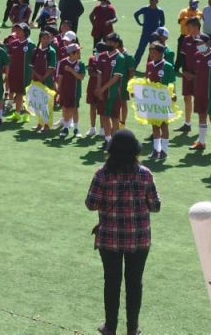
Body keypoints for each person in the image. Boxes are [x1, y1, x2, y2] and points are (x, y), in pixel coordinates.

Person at [86, 129, 161, 335]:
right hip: (139, 239)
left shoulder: (102, 175)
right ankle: (132, 328)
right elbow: (155, 206)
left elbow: (91, 204)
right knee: (134, 283)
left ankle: (110, 326)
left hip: (109, 238)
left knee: (111, 281)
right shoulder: (145, 174)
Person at [188, 33, 211, 154]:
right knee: (201, 116)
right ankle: (201, 142)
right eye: (197, 43)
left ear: (208, 43)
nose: (198, 45)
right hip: (200, 92)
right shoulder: (197, 55)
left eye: (200, 43)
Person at [94, 33, 128, 147]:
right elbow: (99, 73)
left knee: (114, 118)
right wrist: (98, 88)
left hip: (114, 93)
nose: (108, 44)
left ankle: (115, 142)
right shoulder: (102, 56)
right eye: (107, 41)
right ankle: (108, 140)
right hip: (102, 92)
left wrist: (102, 89)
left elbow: (116, 77)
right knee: (103, 116)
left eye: (111, 42)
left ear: (117, 43)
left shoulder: (120, 58)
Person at [145, 43, 176, 161]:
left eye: (153, 52)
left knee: (163, 125)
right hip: (152, 101)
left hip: (163, 101)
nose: (151, 55)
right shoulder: (149, 65)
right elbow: (146, 81)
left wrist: (173, 94)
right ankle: (156, 149)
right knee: (154, 126)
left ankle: (164, 151)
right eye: (150, 52)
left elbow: (172, 82)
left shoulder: (167, 66)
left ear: (160, 53)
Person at [175, 18, 202, 135]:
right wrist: (185, 72)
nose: (187, 29)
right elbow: (182, 57)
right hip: (187, 74)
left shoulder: (203, 40)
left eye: (189, 26)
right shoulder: (186, 40)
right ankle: (187, 124)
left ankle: (202, 125)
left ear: (196, 26)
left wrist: (196, 75)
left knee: (200, 100)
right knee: (187, 98)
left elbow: (204, 59)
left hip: (200, 76)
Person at [5, 23, 35, 122]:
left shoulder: (30, 44)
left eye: (20, 30)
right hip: (15, 73)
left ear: (25, 32)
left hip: (26, 74)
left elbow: (34, 60)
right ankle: (17, 114)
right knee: (18, 93)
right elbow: (9, 58)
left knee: (27, 94)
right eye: (16, 29)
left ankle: (27, 114)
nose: (17, 31)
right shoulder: (13, 43)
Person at [55, 42, 85, 138]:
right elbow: (60, 77)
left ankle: (76, 128)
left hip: (76, 91)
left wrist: (71, 70)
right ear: (72, 53)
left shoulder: (81, 64)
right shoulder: (63, 62)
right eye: (78, 52)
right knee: (65, 108)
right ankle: (66, 127)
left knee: (75, 109)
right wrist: (58, 91)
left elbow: (81, 77)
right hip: (65, 90)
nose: (80, 54)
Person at [132, 0, 165, 68]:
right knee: (140, 50)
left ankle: (152, 67)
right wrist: (139, 23)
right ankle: (134, 66)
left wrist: (158, 31)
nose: (151, 2)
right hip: (145, 33)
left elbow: (163, 23)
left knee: (153, 51)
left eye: (153, 1)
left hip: (154, 35)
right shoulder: (145, 9)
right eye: (151, 0)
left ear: (157, 1)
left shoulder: (160, 11)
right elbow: (136, 14)